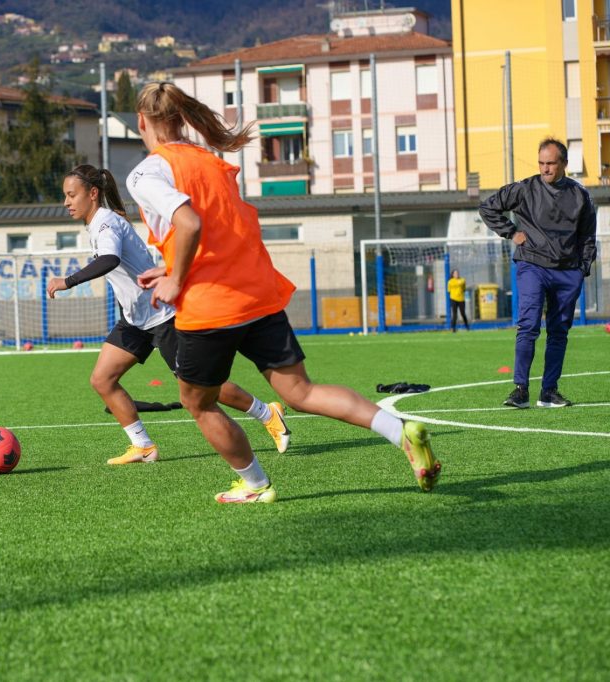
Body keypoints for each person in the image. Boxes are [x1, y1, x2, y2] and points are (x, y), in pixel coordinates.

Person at [127, 82, 440, 503]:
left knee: (198, 402)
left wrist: (177, 280)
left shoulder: (146, 172)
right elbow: (217, 232)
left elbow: (190, 224)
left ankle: (255, 485)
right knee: (301, 392)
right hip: (258, 293)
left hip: (211, 305)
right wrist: (170, 266)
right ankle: (399, 431)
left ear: (141, 122)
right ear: (182, 118)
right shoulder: (208, 160)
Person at [47, 164, 292, 465]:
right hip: (136, 320)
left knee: (200, 387)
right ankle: (143, 446)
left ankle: (268, 413)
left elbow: (109, 259)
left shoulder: (106, 222)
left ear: (93, 193)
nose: (66, 202)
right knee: (103, 379)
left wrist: (68, 281)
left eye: (72, 195)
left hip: (162, 316)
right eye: (65, 196)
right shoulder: (99, 223)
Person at [479, 137, 597, 409]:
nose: (545, 168)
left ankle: (549, 392)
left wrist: (582, 269)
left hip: (568, 272)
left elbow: (588, 237)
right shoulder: (524, 189)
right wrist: (511, 232)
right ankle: (520, 390)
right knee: (529, 325)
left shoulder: (581, 196)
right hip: (532, 265)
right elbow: (487, 207)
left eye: (551, 163)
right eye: (541, 163)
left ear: (564, 163)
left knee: (559, 332)